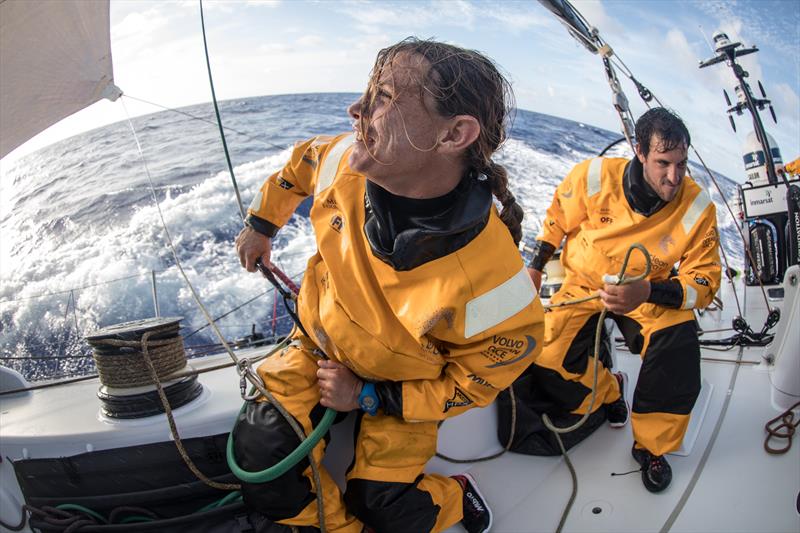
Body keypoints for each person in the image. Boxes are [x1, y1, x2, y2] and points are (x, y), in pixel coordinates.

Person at [234, 38, 544, 533]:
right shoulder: (341, 160)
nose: (355, 109)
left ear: (454, 134)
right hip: (316, 345)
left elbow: (479, 377)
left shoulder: (493, 279)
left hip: (401, 387)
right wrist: (261, 225)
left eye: (383, 98)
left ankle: (454, 497)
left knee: (386, 506)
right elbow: (300, 166)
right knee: (260, 466)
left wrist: (373, 398)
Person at [526, 107, 721, 493]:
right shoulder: (593, 177)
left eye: (681, 163)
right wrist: (535, 266)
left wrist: (646, 291)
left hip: (646, 293)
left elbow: (704, 281)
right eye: (663, 162)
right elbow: (556, 219)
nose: (674, 176)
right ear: (640, 152)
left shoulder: (698, 208)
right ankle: (610, 389)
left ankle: (651, 447)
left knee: (678, 344)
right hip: (584, 284)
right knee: (545, 361)